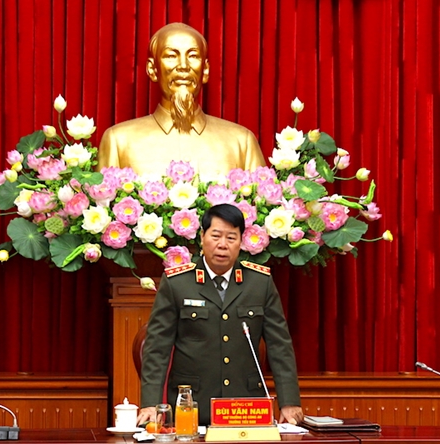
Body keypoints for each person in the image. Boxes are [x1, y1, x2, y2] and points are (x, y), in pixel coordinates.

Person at [137, 204, 303, 426]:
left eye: (231, 238)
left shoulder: (259, 283)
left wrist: (289, 401)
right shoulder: (177, 283)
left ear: (241, 242)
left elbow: (279, 346)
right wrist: (151, 404)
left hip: (245, 408)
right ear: (202, 237)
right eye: (215, 236)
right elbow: (157, 348)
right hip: (193, 406)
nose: (222, 245)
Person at [97, 23, 266, 179]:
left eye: (193, 56)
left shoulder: (241, 142)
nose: (183, 66)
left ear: (205, 70)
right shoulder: (119, 141)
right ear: (152, 69)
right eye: (171, 56)